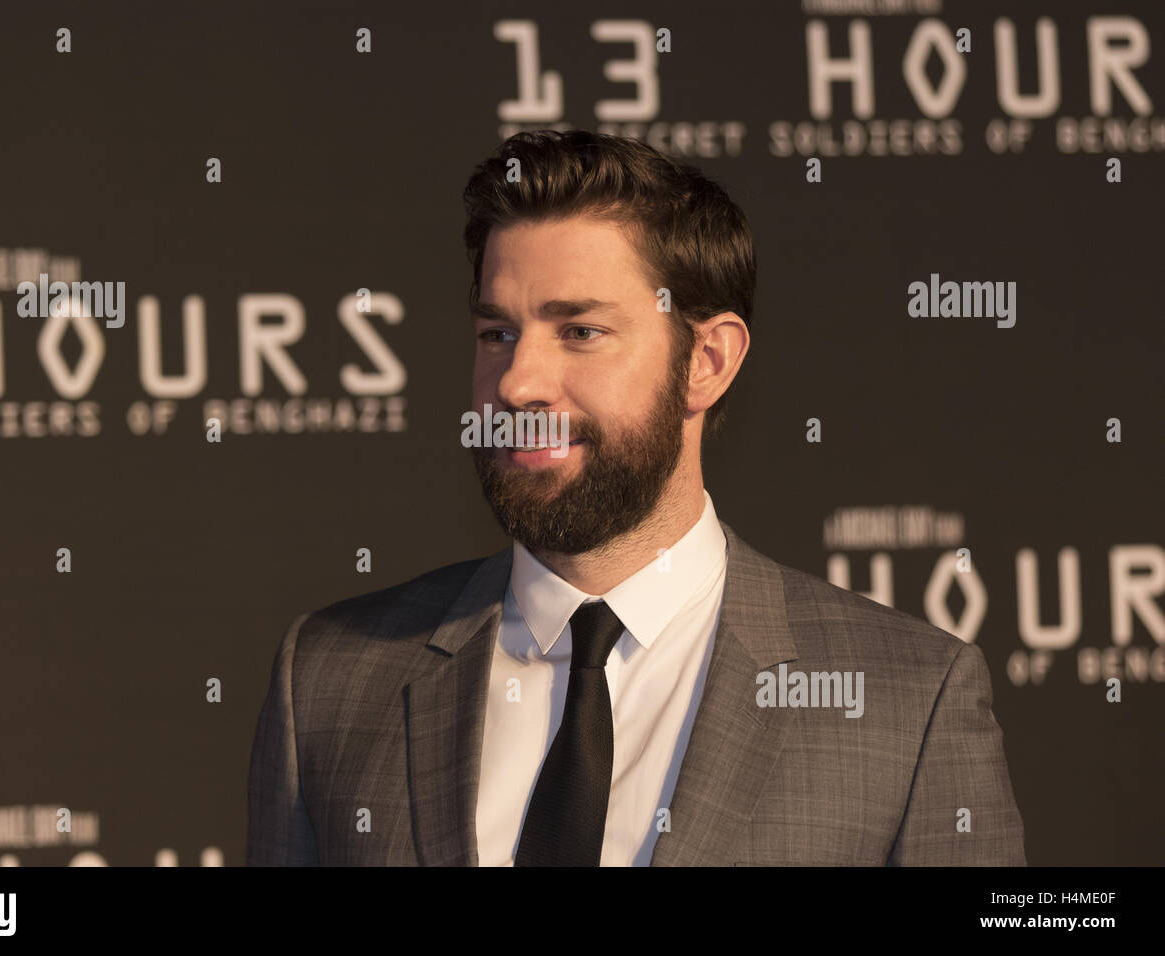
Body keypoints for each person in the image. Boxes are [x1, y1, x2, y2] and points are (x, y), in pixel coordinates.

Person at [246, 129, 1026, 866]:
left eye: (579, 331)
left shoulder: (906, 702)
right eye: (496, 334)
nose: (517, 383)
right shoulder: (331, 679)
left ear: (706, 362)